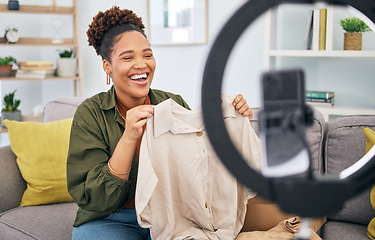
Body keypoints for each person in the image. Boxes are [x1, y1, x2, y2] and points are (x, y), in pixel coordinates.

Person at [67, 6, 254, 240]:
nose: (142, 65)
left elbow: (202, 163)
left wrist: (231, 120)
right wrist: (129, 137)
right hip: (110, 220)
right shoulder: (90, 114)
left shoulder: (172, 102)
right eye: (127, 57)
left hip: (173, 218)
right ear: (107, 66)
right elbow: (94, 198)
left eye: (147, 55)